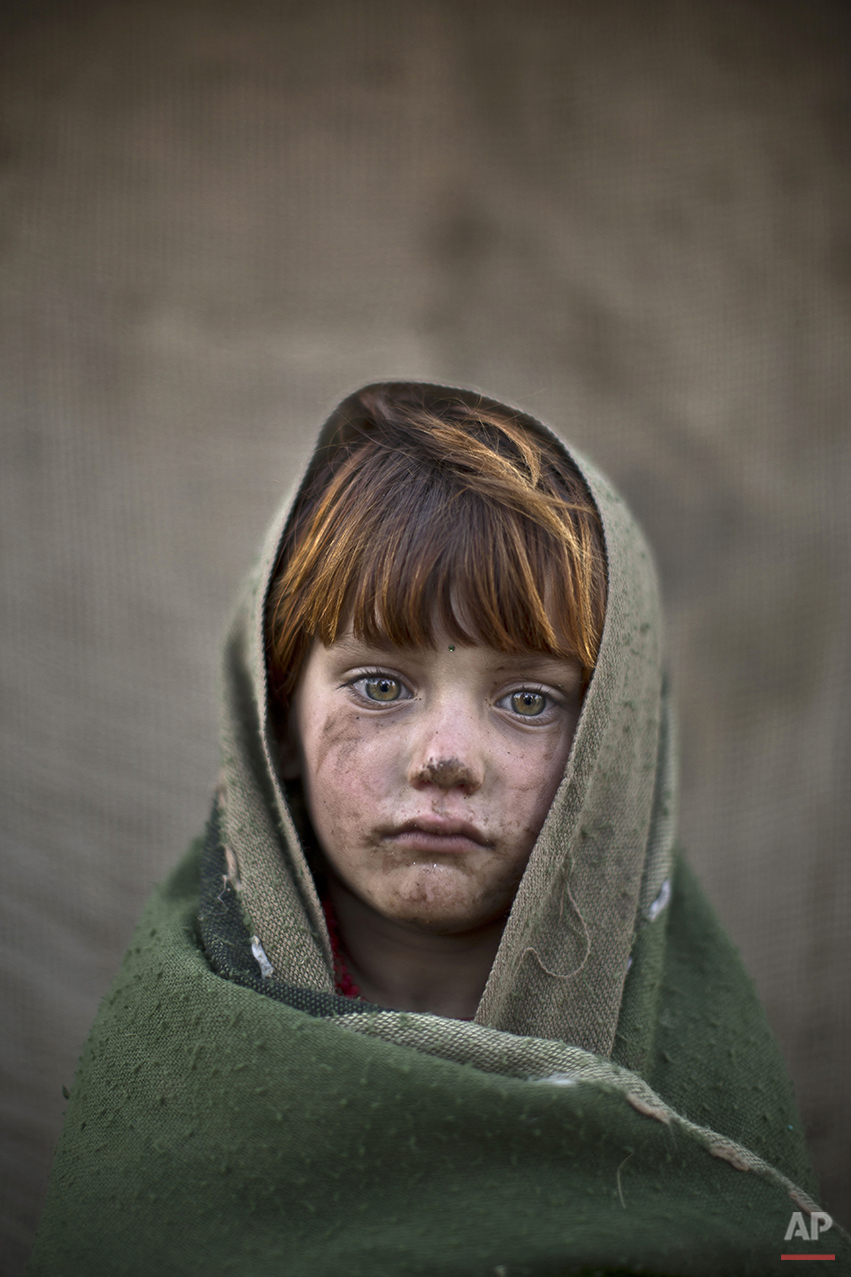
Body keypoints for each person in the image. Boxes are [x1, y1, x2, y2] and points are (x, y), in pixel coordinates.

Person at [30, 383, 846, 1275]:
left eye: (528, 699)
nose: (446, 757)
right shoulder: (165, 1089)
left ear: (608, 754)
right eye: (379, 685)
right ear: (275, 723)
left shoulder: (709, 1094)